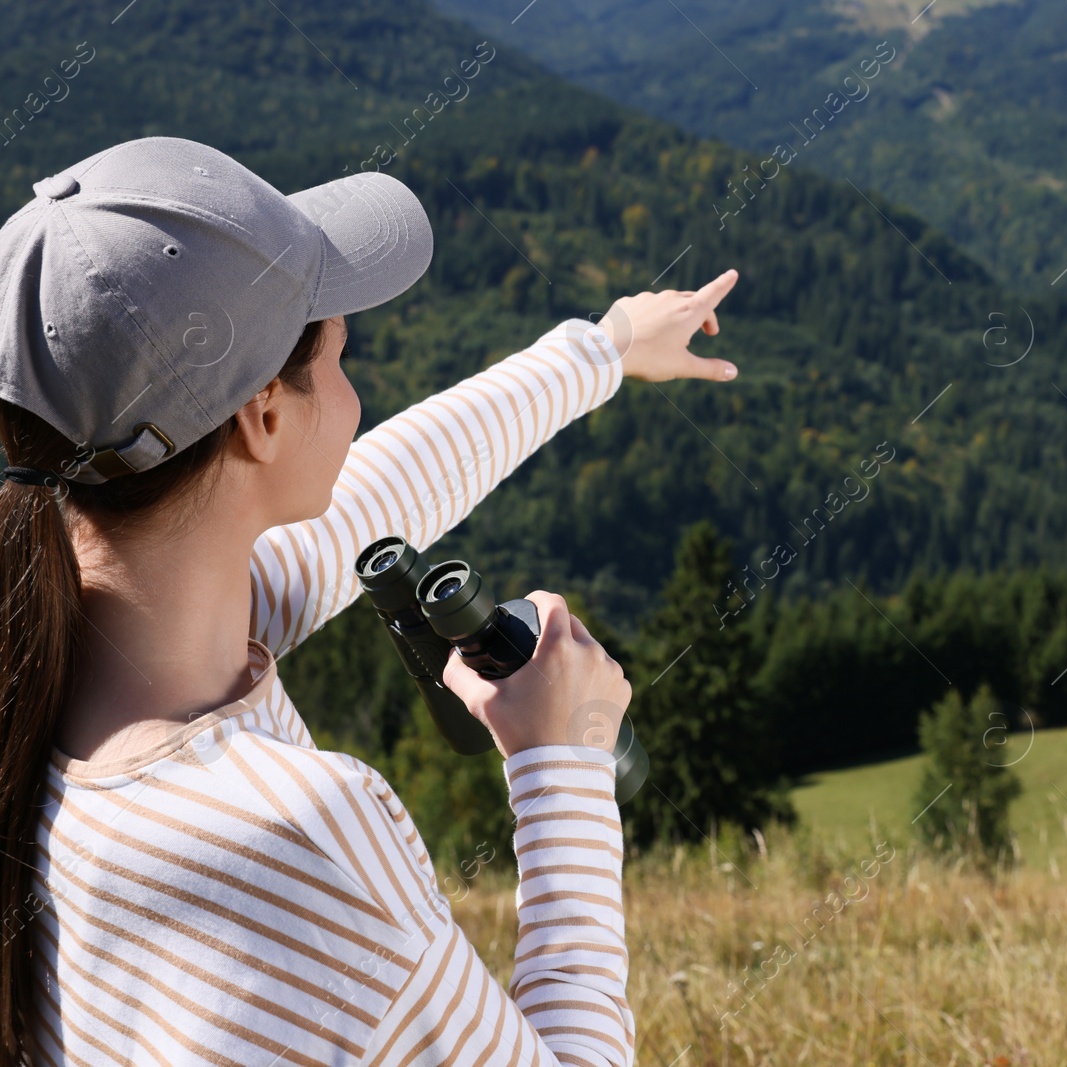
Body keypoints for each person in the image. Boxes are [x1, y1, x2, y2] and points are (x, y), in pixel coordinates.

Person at [0, 136, 741, 1065]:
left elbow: (368, 502)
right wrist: (566, 766)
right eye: (342, 357)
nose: (355, 400)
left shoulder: (47, 647)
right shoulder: (295, 838)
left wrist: (604, 349)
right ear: (263, 416)